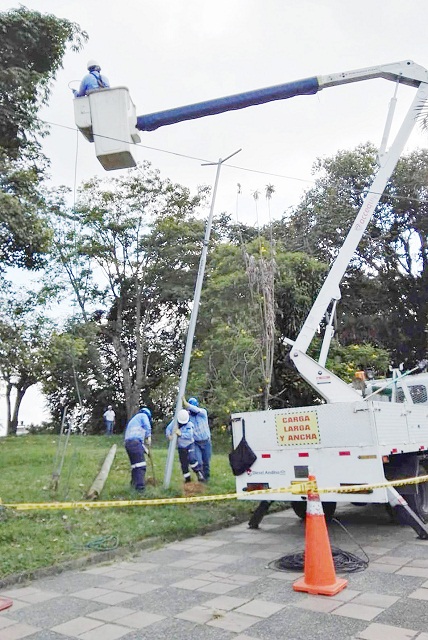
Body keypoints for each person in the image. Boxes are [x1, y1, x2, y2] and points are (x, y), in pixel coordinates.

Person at [165, 409, 204, 483]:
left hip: (190, 445)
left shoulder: (189, 424)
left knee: (192, 459)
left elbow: (190, 435)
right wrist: (168, 435)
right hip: (181, 447)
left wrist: (181, 434)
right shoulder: (175, 422)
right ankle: (187, 479)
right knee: (184, 464)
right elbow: (168, 429)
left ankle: (198, 473)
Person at [182, 396, 211, 481]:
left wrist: (186, 404)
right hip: (196, 443)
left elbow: (196, 410)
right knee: (199, 461)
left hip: (206, 442)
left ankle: (207, 479)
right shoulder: (188, 416)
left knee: (206, 461)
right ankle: (201, 479)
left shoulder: (203, 413)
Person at [124, 407, 152, 491]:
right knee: (141, 466)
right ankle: (140, 488)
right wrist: (148, 436)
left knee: (135, 466)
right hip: (135, 443)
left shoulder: (134, 422)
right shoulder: (143, 416)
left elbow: (138, 442)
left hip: (128, 444)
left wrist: (147, 451)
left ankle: (133, 485)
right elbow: (147, 426)